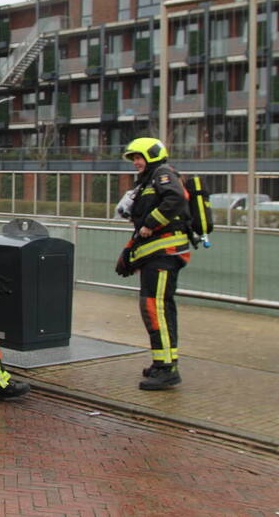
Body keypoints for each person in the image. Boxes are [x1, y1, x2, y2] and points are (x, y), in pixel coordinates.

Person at [116, 137, 191, 390]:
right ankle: (161, 363)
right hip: (155, 256)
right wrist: (129, 253)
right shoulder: (148, 180)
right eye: (134, 158)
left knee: (157, 308)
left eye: (139, 157)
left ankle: (168, 369)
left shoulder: (163, 173)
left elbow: (175, 200)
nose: (136, 162)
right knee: (153, 308)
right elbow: (142, 225)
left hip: (164, 256)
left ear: (153, 156)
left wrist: (150, 224)